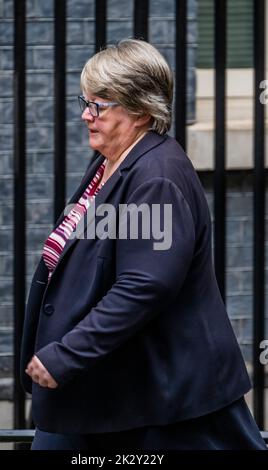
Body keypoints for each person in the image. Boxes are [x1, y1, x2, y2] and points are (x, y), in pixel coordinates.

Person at [20, 39, 267, 450]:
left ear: (140, 109)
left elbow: (144, 285)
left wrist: (65, 354)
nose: (85, 114)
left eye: (99, 105)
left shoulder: (157, 177)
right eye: (86, 100)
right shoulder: (110, 162)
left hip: (155, 395)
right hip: (111, 391)